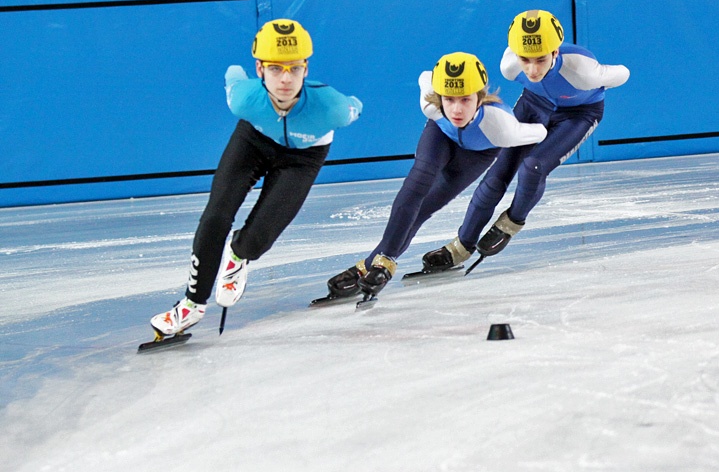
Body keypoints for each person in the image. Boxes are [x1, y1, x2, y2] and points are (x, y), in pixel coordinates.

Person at [150, 19, 362, 336]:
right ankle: (191, 306)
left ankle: (238, 257)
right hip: (254, 140)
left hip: (303, 157)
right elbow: (233, 74)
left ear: (306, 68)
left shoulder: (332, 108)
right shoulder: (242, 99)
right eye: (276, 69)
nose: (286, 79)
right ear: (260, 69)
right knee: (215, 218)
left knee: (258, 237)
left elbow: (355, 107)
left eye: (294, 68)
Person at [323, 51, 547, 301]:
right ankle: (382, 264)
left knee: (424, 207)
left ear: (480, 97)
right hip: (440, 135)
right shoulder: (432, 105)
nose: (457, 110)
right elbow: (425, 77)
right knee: (416, 185)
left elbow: (539, 133)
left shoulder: (501, 127)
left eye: (465, 99)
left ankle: (368, 264)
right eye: (449, 99)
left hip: (478, 152)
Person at [422, 9, 630, 272]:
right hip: (534, 106)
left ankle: (511, 223)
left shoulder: (582, 71)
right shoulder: (509, 66)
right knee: (497, 175)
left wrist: (599, 80)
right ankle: (462, 245)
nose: (532, 70)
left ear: (556, 52)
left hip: (579, 114)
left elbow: (623, 73)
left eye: (540, 60)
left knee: (533, 166)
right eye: (525, 60)